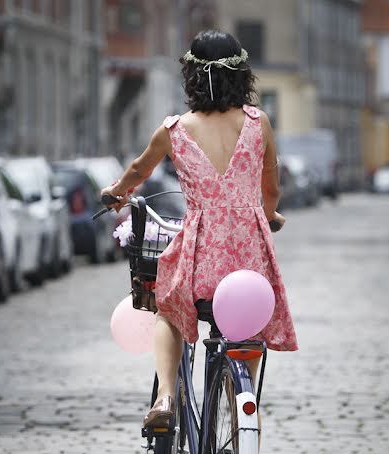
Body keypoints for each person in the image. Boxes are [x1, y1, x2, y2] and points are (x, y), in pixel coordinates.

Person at [100, 30, 298, 430]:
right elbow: (271, 187)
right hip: (247, 265)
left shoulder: (175, 130)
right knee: (245, 332)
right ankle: (243, 414)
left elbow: (139, 171)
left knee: (168, 311)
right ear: (241, 75)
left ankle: (166, 397)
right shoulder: (259, 124)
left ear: (191, 77)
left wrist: (117, 192)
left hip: (200, 261)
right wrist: (270, 214)